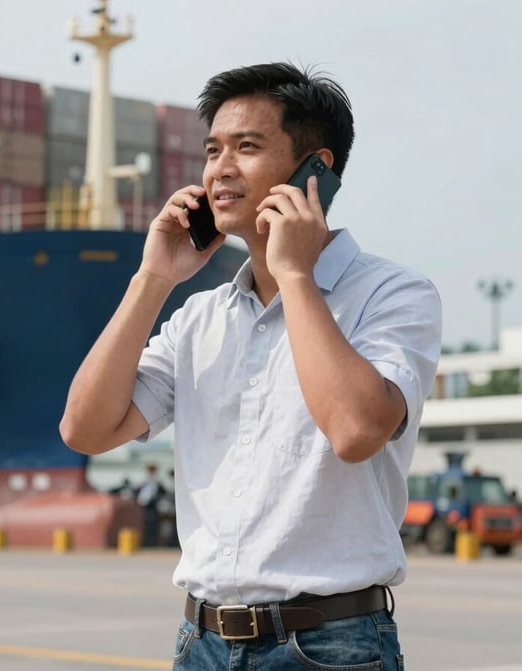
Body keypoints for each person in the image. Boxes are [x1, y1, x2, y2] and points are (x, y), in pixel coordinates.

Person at [60, 62, 442, 670]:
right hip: (201, 643)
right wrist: (153, 278)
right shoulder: (198, 318)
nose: (219, 169)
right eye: (212, 150)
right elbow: (86, 429)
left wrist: (294, 275)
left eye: (247, 146)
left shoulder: (394, 295)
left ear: (316, 169)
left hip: (329, 645)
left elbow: (354, 430)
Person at [134, 462, 167, 546]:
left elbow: (163, 492)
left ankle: (152, 543)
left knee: (153, 525)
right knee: (142, 524)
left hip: (153, 506)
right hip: (143, 506)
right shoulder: (142, 481)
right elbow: (136, 492)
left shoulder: (157, 482)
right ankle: (143, 542)